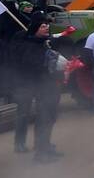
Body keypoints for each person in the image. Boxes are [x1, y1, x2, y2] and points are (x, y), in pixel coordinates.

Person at [14, 12, 64, 163]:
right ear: (35, 28)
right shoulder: (28, 45)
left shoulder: (46, 42)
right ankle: (40, 153)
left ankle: (46, 146)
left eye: (47, 25)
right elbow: (32, 65)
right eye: (43, 26)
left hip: (51, 86)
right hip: (39, 87)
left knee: (50, 117)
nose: (47, 28)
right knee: (43, 119)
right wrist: (50, 61)